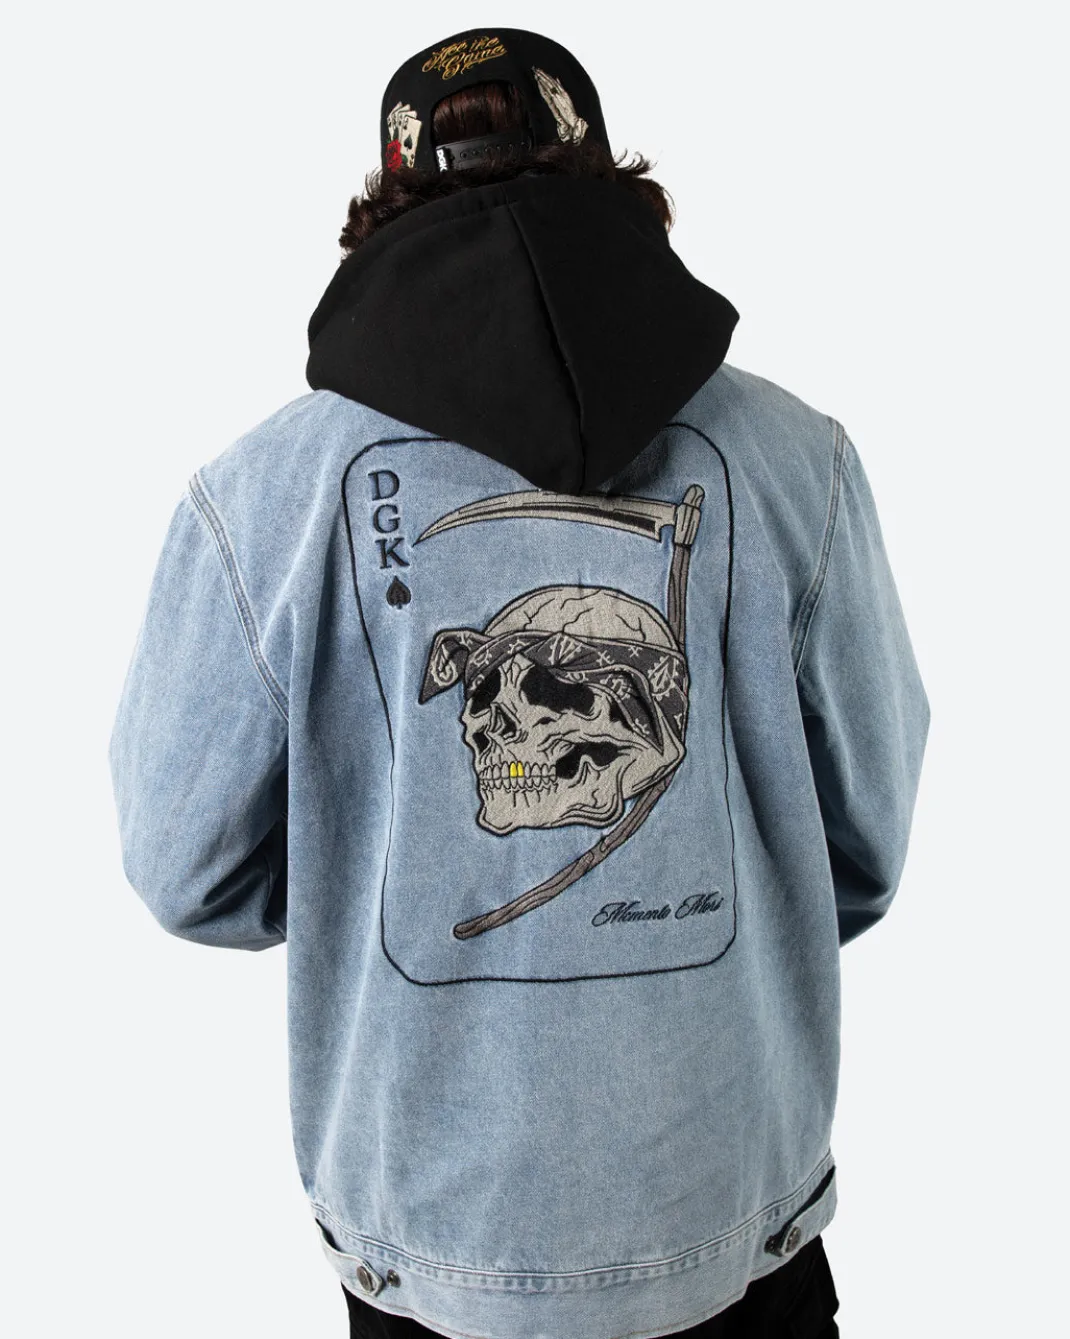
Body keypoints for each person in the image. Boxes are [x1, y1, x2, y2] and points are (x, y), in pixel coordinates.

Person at [107, 26, 930, 1339]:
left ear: (381, 213)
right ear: (612, 183)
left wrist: (379, 862)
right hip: (735, 1232)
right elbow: (863, 846)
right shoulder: (795, 463)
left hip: (434, 1255)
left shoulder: (261, 499)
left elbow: (185, 868)